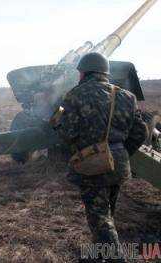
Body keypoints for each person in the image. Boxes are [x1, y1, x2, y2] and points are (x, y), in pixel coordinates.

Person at [52, 53, 147, 262]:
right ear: (105, 72)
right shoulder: (126, 96)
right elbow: (141, 131)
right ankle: (98, 255)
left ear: (84, 72)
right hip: (118, 163)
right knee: (106, 213)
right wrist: (119, 151)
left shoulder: (75, 95)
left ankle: (115, 258)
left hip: (93, 164)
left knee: (99, 217)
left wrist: (58, 124)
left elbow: (68, 134)